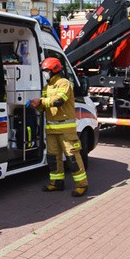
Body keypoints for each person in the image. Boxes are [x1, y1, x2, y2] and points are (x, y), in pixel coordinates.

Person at [29, 57, 88, 197]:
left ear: (54, 70)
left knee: (72, 158)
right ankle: (56, 183)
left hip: (66, 130)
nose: (44, 73)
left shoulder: (64, 83)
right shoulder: (46, 88)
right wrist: (37, 106)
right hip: (51, 130)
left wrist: (41, 101)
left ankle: (82, 185)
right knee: (53, 158)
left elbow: (59, 101)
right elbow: (45, 108)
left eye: (46, 71)